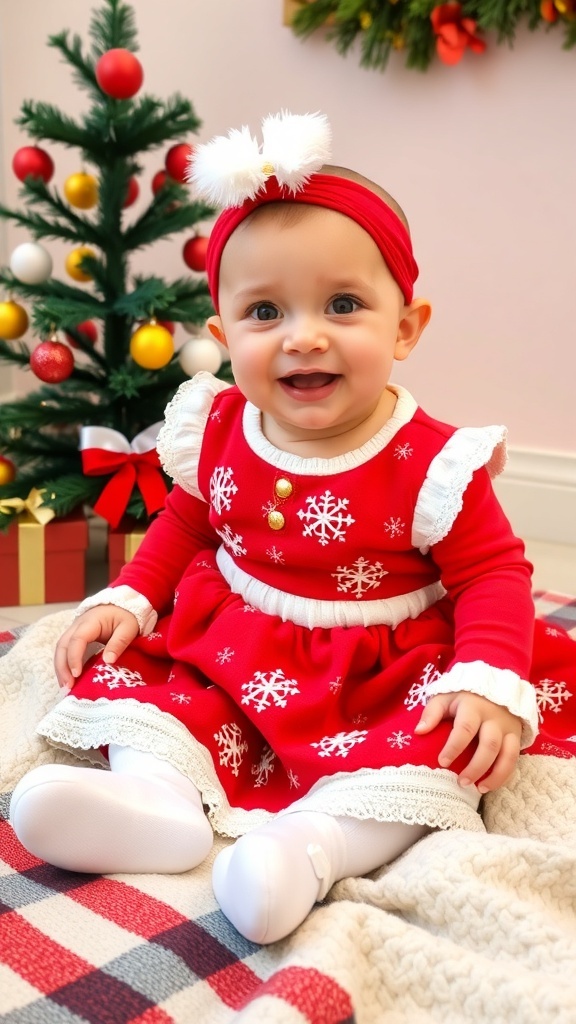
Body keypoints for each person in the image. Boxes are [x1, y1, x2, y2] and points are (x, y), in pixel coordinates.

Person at [10, 112, 576, 945]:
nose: (304, 336)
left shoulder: (431, 462)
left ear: (405, 326)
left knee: (430, 758)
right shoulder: (219, 425)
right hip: (234, 647)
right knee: (156, 694)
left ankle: (311, 848)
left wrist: (486, 674)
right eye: (265, 311)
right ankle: (157, 804)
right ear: (223, 336)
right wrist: (132, 595)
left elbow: (493, 572)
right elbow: (189, 519)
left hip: (381, 671)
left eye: (343, 304)